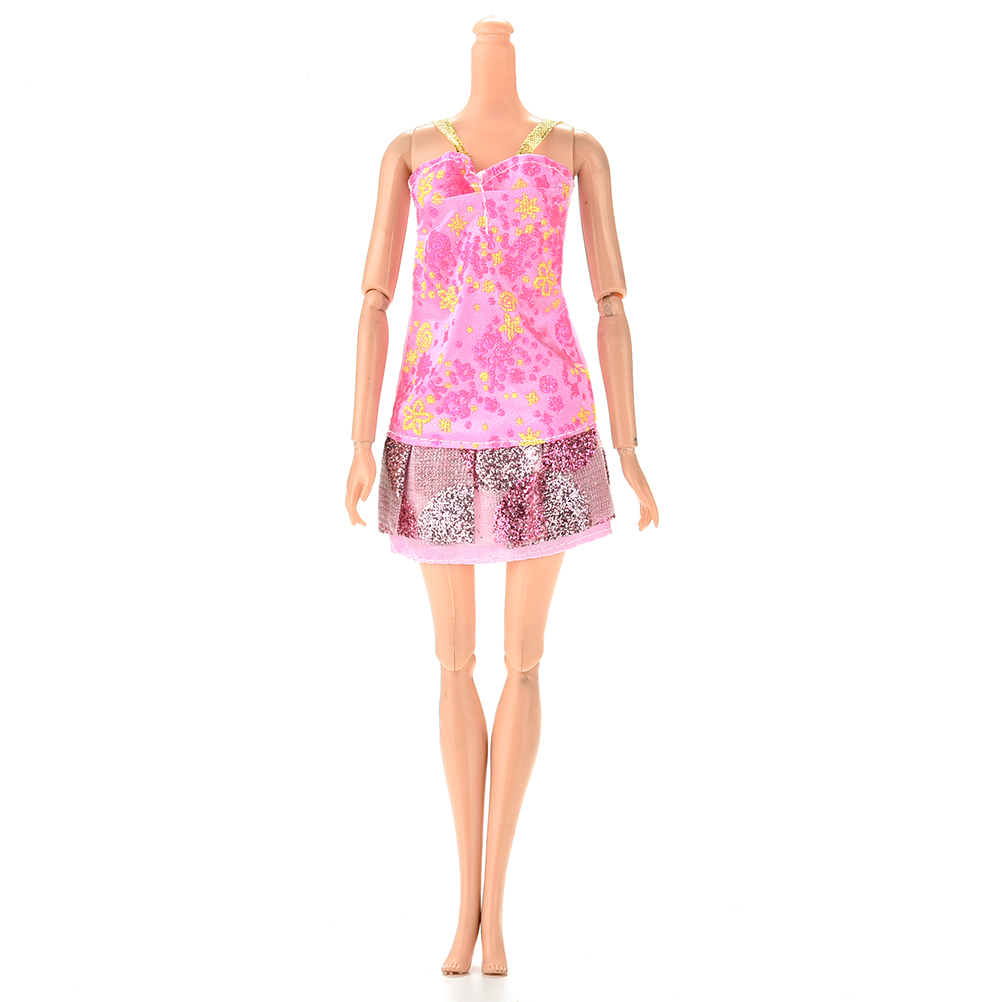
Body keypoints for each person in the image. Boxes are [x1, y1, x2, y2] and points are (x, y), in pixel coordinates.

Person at [345, 16, 658, 977]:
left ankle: (498, 911)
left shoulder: (574, 152)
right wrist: (357, 441)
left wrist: (629, 447)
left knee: (523, 663)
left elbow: (612, 303)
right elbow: (373, 301)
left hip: (545, 437)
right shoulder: (409, 153)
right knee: (453, 664)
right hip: (433, 434)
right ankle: (464, 908)